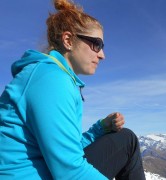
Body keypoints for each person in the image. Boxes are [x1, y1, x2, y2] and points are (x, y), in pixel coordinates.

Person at [0, 0, 145, 179]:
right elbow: (69, 171)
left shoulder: (52, 76)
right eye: (97, 44)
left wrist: (100, 128)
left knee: (125, 139)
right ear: (68, 40)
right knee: (127, 141)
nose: (102, 55)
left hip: (43, 171)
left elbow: (68, 149)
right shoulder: (51, 79)